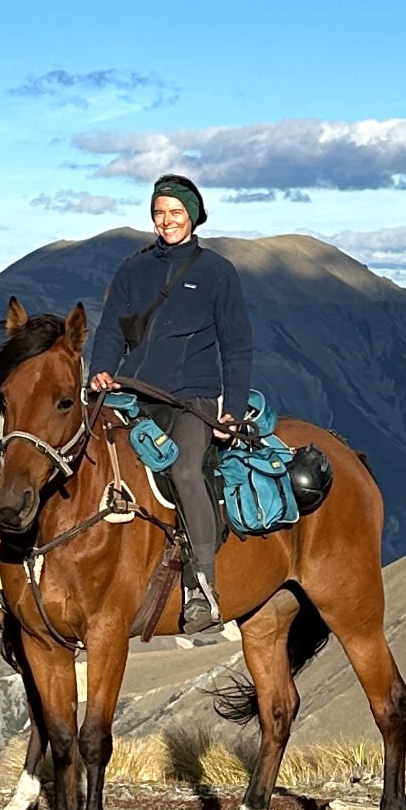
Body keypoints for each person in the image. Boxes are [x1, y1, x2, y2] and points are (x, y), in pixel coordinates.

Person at [86, 174, 252, 634]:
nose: (167, 221)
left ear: (193, 217)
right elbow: (111, 332)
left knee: (183, 470)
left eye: (176, 213)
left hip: (191, 399)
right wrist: (100, 368)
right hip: (135, 395)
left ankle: (202, 588)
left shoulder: (217, 272)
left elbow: (236, 347)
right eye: (159, 213)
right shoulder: (132, 270)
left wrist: (230, 410)